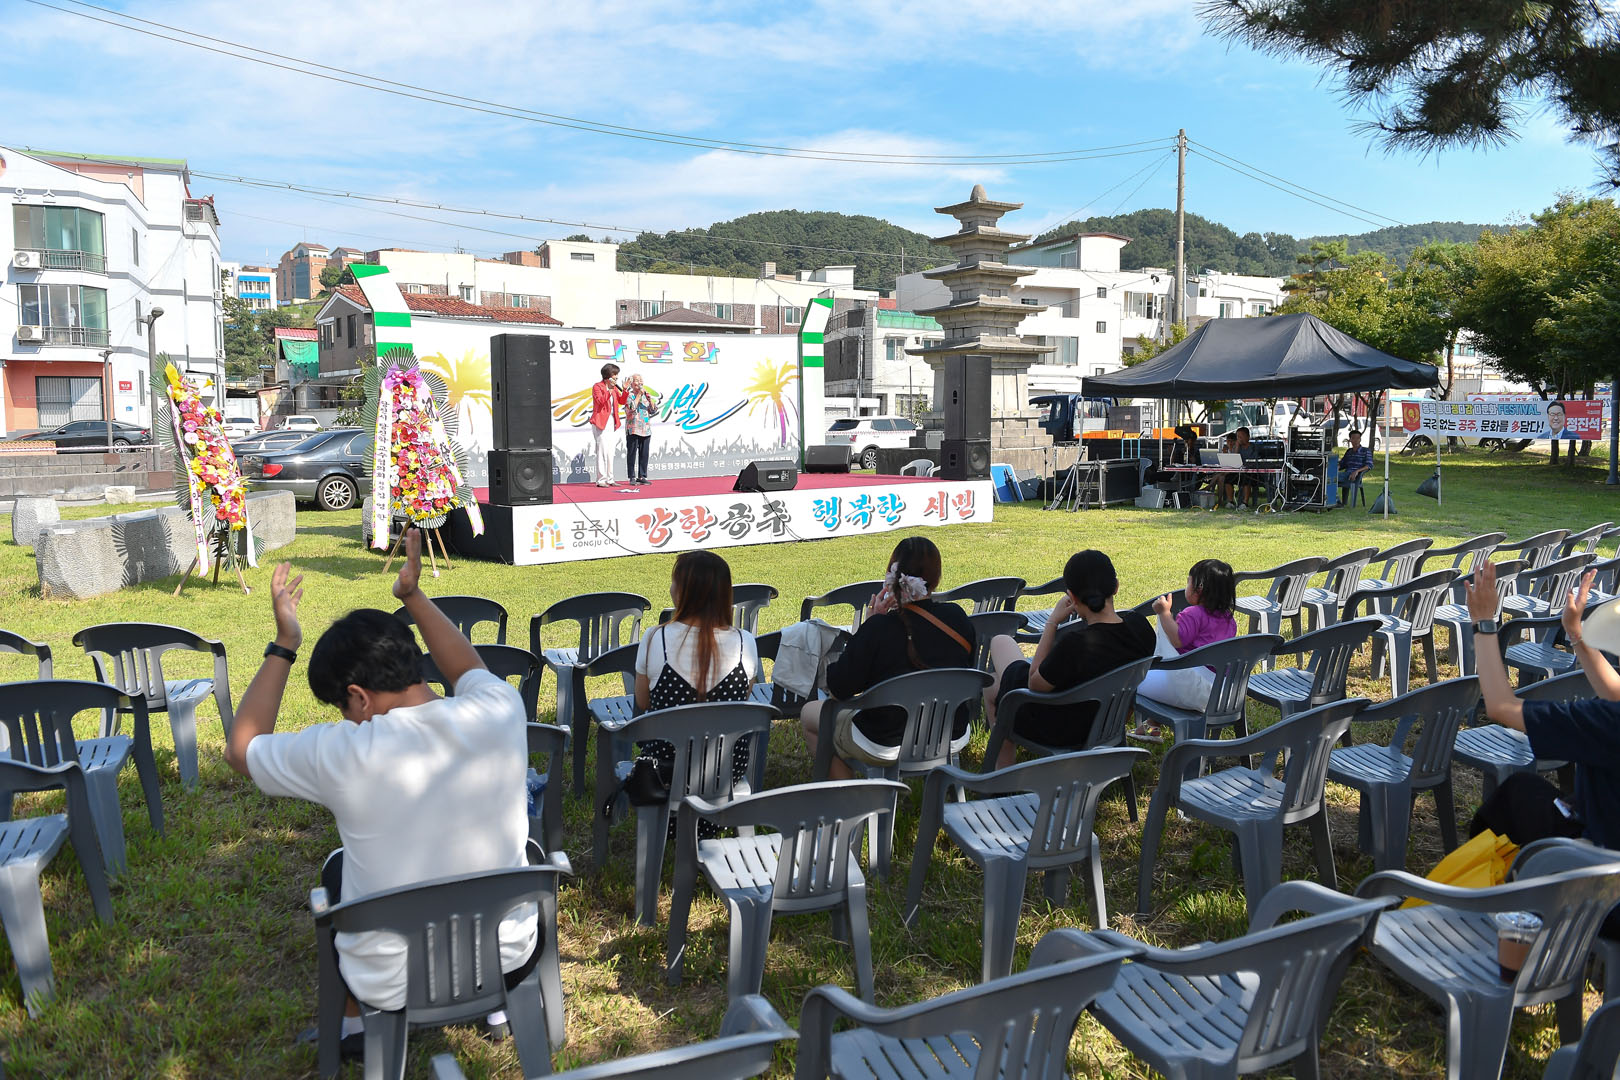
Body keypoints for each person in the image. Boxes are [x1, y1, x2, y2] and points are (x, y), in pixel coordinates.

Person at [224, 530, 534, 1049]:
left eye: (342, 707)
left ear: (359, 696)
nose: (346, 718)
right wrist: (413, 596)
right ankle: (499, 1009)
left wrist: (284, 643)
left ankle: (352, 1027)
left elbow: (241, 750)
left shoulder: (345, 752)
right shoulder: (501, 709)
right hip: (508, 951)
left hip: (392, 979)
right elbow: (468, 668)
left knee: (337, 870)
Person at [1464, 563, 1620, 849]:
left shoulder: (1604, 722)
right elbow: (1615, 693)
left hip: (1595, 855)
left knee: (1513, 795)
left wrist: (1483, 622)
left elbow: (1501, 706)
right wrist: (1576, 633)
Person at [799, 536, 975, 779]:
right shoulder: (958, 617)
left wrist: (867, 628)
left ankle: (852, 799)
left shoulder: (879, 628)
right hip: (951, 733)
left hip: (883, 742)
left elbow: (839, 688)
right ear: (935, 579)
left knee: (810, 713)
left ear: (893, 575)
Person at [982, 550, 1155, 770]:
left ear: (1071, 597)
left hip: (1062, 729)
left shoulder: (1077, 644)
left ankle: (1003, 771)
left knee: (1000, 646)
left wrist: (1052, 623)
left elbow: (1034, 683)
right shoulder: (1141, 628)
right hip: (1108, 722)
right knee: (994, 685)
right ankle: (1002, 769)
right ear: (1116, 587)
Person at [634, 550, 761, 787]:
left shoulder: (655, 637)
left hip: (666, 768)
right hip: (727, 768)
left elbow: (643, 701)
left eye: (673, 582)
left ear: (682, 592)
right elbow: (741, 698)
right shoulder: (745, 641)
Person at [1133, 558, 1239, 737]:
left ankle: (1113, 734)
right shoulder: (1229, 619)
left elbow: (1177, 640)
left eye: (1188, 581)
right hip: (1219, 692)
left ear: (1199, 588)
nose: (1186, 586)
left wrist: (1164, 613)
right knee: (1169, 676)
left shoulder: (1193, 614)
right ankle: (1151, 726)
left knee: (1131, 681)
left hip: (1191, 690)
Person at [590, 363, 628, 487]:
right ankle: (601, 479)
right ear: (608, 375)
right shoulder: (597, 386)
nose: (616, 377)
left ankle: (610, 478)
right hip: (601, 421)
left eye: (617, 375)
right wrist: (609, 390)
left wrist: (625, 390)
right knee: (602, 450)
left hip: (612, 421)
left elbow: (622, 401)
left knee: (611, 451)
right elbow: (600, 401)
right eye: (614, 375)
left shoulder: (614, 388)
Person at [622, 373, 661, 486]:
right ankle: (632, 476)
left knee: (644, 454)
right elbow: (631, 408)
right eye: (637, 380)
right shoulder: (629, 395)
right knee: (632, 453)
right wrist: (639, 395)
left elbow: (653, 410)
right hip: (633, 428)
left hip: (645, 428)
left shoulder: (645, 395)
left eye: (641, 380)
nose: (639, 382)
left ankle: (642, 476)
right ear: (632, 384)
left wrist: (650, 400)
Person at [1338, 427, 1373, 505]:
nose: (1356, 440)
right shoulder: (1349, 451)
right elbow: (1343, 463)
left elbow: (1369, 465)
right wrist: (1337, 467)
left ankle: (1337, 502)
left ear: (1360, 439)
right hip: (1346, 474)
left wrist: (1357, 471)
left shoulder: (1365, 451)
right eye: (1353, 438)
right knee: (1328, 479)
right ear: (1350, 440)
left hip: (1356, 476)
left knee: (1330, 479)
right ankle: (1338, 501)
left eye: (1358, 438)